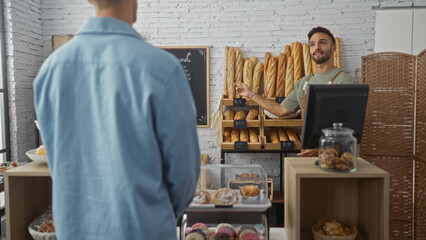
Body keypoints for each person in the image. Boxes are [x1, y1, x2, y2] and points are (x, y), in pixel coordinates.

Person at [33, 0, 200, 239]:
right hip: (143, 230)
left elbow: (58, 163)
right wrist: (153, 214)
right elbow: (184, 178)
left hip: (75, 231)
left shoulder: (50, 72)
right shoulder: (162, 69)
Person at [235, 26, 357, 157]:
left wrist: (321, 150)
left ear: (333, 48)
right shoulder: (304, 82)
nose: (317, 47)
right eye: (312, 44)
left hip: (337, 159)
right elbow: (280, 110)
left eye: (323, 42)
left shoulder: (345, 81)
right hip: (307, 155)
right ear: (310, 50)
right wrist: (251, 94)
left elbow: (354, 131)